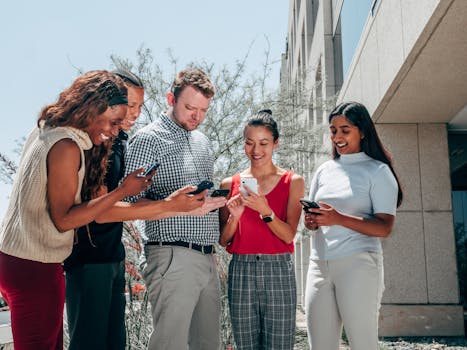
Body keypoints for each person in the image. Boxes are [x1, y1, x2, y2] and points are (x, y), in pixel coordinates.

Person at [0, 70, 206, 350]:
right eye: (118, 115)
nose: (123, 122)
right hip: (50, 261)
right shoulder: (70, 145)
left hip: (42, 261)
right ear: (99, 105)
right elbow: (68, 218)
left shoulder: (50, 130)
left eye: (135, 108)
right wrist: (162, 205)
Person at [122, 67, 226, 350]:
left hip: (206, 257)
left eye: (203, 110)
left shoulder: (203, 142)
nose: (197, 116)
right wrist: (176, 208)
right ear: (171, 98)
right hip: (170, 256)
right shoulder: (148, 139)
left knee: (208, 344)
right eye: (190, 107)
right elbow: (127, 204)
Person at [303, 102, 403, 350]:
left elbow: (384, 228)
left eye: (344, 130)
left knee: (363, 343)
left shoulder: (378, 171)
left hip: (358, 264)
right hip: (319, 265)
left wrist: (339, 219)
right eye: (333, 130)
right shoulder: (324, 170)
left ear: (363, 131)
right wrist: (312, 221)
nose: (337, 137)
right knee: (320, 346)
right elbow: (317, 220)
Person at [64, 70, 145, 350]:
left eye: (139, 107)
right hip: (88, 259)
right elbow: (100, 210)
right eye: (129, 105)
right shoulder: (94, 141)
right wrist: (166, 208)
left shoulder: (121, 140)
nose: (134, 113)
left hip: (113, 258)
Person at [219, 109, 305, 349]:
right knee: (245, 345)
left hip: (278, 269)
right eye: (249, 143)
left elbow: (288, 235)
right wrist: (234, 218)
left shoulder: (293, 182)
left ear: (276, 143)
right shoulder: (230, 184)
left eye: (263, 143)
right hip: (241, 269)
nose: (255, 151)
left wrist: (265, 211)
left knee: (279, 345)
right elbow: (224, 240)